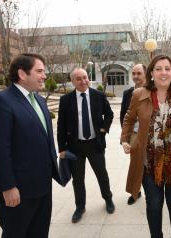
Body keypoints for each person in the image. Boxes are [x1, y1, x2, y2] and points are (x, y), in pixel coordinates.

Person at [121, 54, 171, 238]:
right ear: (151, 73)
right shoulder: (138, 94)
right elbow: (128, 119)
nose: (163, 72)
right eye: (158, 69)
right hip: (149, 164)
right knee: (154, 204)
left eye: (167, 68)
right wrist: (125, 139)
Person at [0, 53, 61, 238]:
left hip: (42, 187)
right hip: (18, 192)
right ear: (22, 74)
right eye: (39, 71)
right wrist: (8, 187)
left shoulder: (40, 101)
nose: (44, 76)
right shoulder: (1, 102)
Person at [57, 67, 115, 223]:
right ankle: (80, 207)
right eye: (78, 79)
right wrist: (62, 149)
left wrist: (103, 128)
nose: (83, 81)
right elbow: (61, 125)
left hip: (95, 144)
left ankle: (108, 199)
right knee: (78, 179)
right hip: (75, 147)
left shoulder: (98, 96)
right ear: (72, 82)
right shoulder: (66, 100)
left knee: (102, 175)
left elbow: (109, 114)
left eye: (85, 77)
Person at [120, 63, 147, 205]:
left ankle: (154, 191)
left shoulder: (154, 90)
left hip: (151, 136)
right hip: (134, 135)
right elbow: (123, 116)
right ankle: (135, 192)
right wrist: (125, 139)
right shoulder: (127, 93)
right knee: (136, 165)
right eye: (134, 74)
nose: (135, 76)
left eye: (139, 73)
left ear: (146, 74)